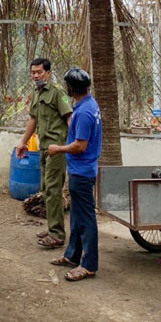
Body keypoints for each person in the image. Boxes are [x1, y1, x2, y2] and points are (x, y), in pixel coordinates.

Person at [47, 66, 101, 282]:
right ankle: (72, 255)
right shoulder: (89, 104)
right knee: (77, 217)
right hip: (81, 169)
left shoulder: (85, 112)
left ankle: (88, 265)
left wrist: (58, 148)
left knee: (86, 219)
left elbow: (80, 146)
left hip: (82, 171)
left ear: (70, 88)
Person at [16, 58, 72, 249]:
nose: (35, 76)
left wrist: (72, 146)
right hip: (43, 147)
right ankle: (52, 227)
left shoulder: (57, 93)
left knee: (54, 189)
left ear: (48, 73)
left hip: (57, 149)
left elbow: (69, 118)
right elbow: (33, 119)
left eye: (39, 72)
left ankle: (57, 234)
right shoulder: (37, 93)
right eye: (33, 72)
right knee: (47, 188)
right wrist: (23, 142)